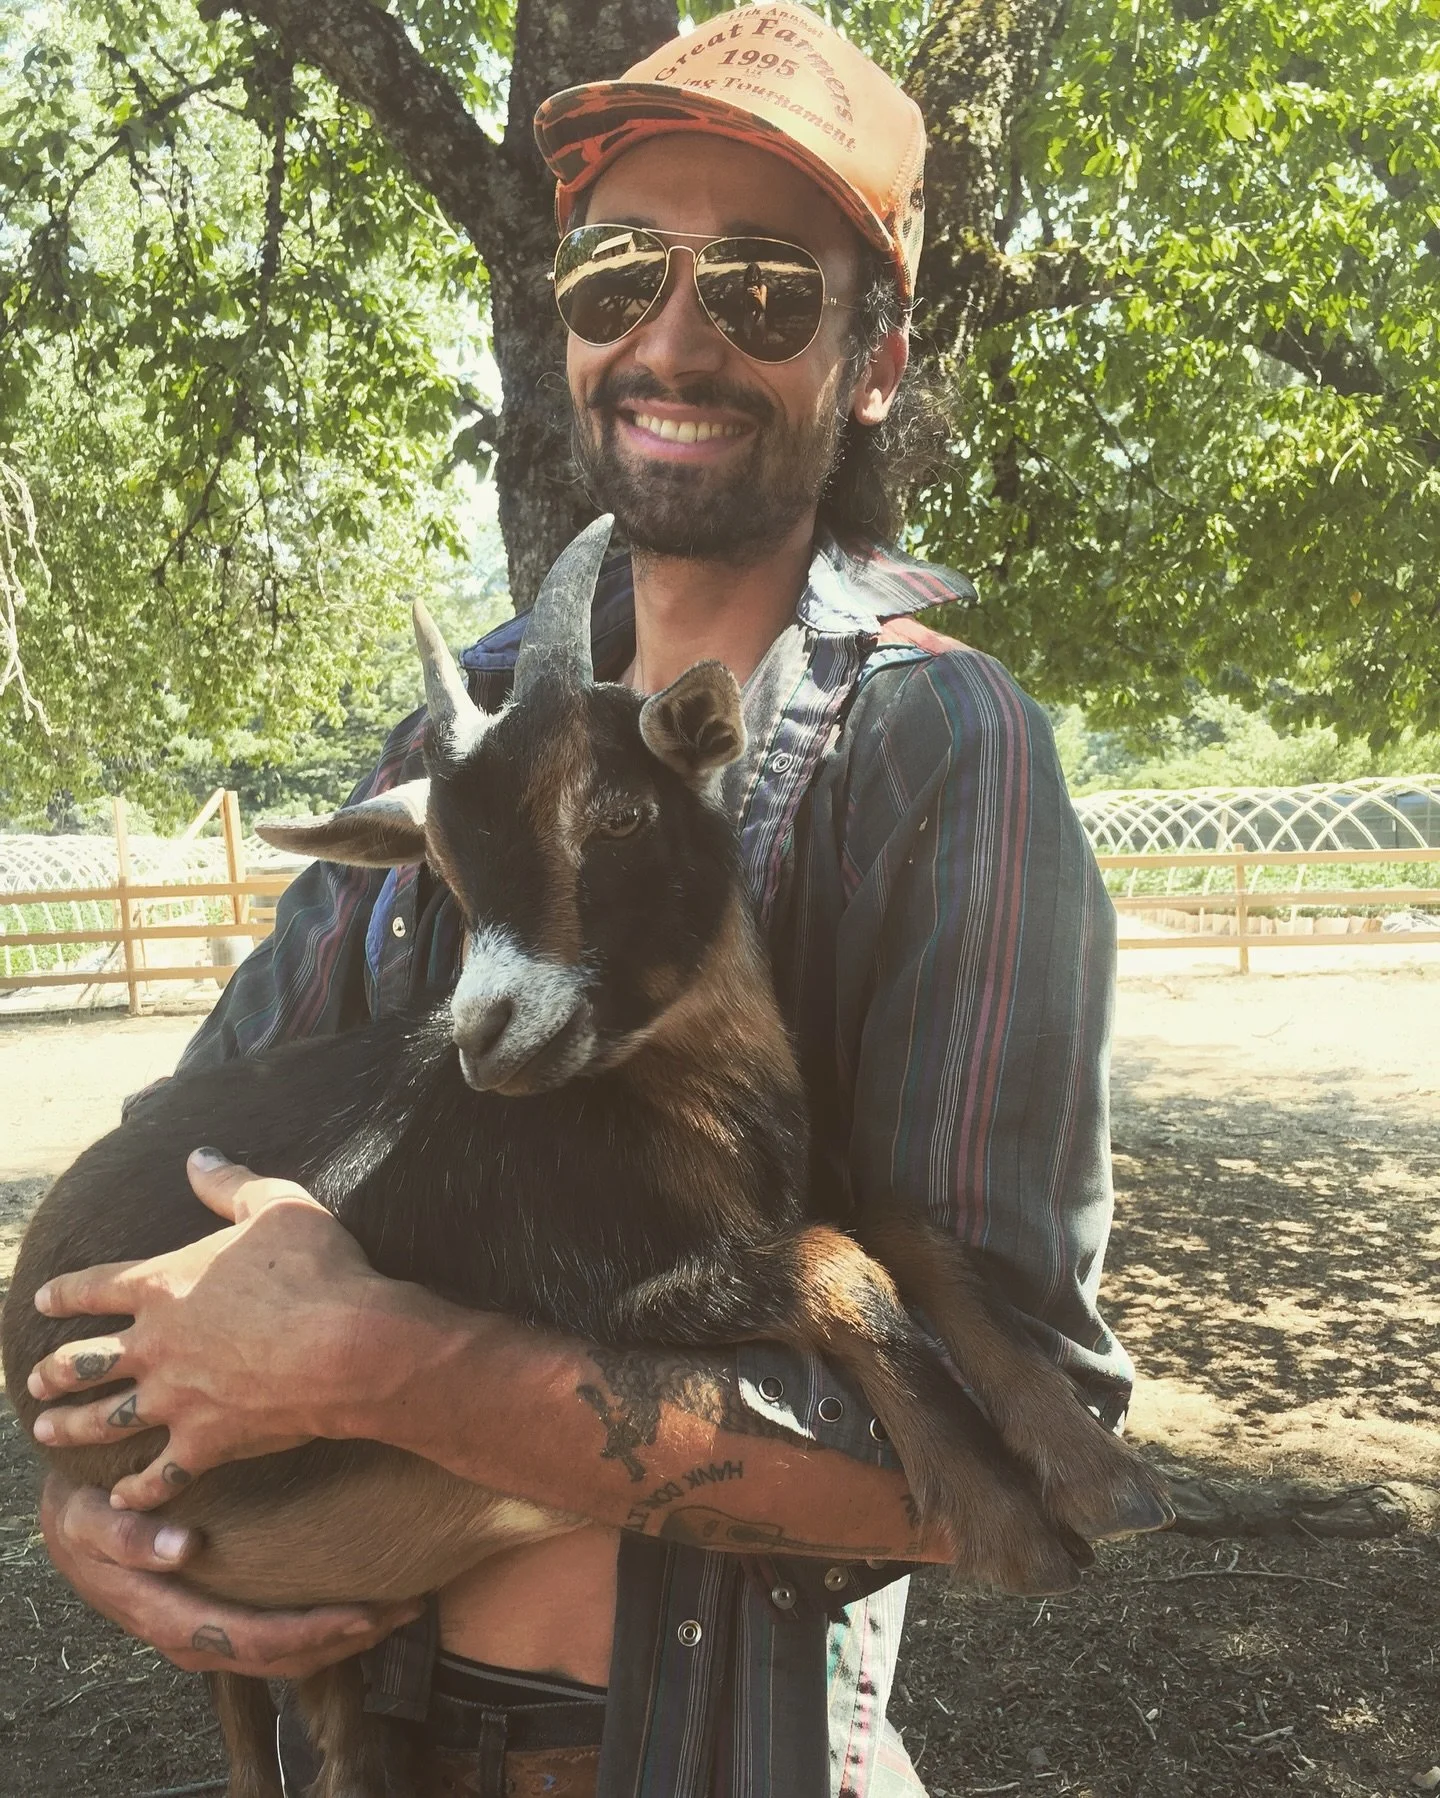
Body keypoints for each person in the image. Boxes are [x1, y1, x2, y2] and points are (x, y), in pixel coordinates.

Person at [23, 6, 1146, 1794]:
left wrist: (387, 1366)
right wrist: (99, 1519)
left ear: (871, 359)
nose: (675, 335)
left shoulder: (936, 751)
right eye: (618, 269)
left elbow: (1005, 1461)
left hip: (695, 1750)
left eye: (767, 287)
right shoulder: (456, 734)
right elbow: (185, 1158)